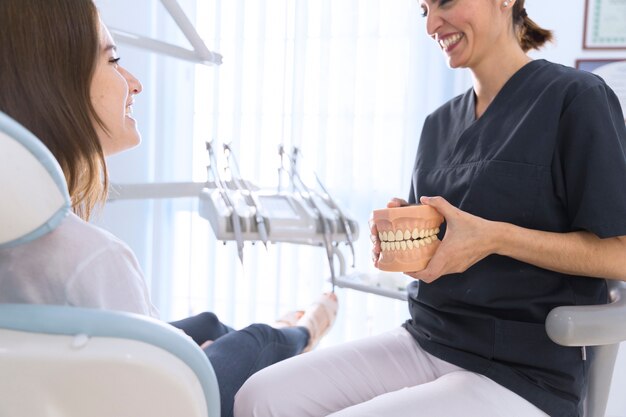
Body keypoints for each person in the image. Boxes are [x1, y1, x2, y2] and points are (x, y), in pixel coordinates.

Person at [233, 1, 626, 416]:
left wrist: (497, 238)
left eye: (445, 2)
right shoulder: (438, 125)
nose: (432, 24)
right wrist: (406, 238)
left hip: (523, 370)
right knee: (260, 397)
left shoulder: (576, 99)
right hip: (427, 336)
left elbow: (619, 253)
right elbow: (443, 239)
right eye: (423, 10)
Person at [0, 1, 338, 417]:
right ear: (55, 81)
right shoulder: (92, 258)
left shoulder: (16, 238)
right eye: (114, 60)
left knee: (208, 325)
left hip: (68, 383)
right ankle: (303, 332)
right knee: (256, 342)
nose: (135, 83)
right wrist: (187, 367)